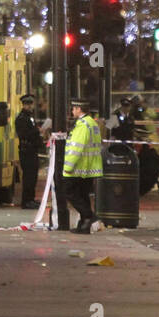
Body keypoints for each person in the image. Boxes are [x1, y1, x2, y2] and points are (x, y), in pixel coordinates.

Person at [63, 98, 103, 234]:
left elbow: (76, 148)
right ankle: (84, 225)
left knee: (69, 191)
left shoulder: (82, 125)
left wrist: (68, 166)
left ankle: (89, 216)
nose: (72, 111)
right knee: (83, 194)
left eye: (73, 109)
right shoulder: (92, 123)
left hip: (79, 167)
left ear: (79, 109)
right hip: (90, 166)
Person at [15, 94, 42, 210]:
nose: (30, 106)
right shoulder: (21, 118)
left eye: (31, 104)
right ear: (24, 105)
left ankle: (31, 199)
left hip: (32, 150)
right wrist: (36, 132)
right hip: (27, 150)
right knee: (28, 177)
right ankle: (26, 201)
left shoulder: (29, 117)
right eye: (28, 104)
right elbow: (24, 134)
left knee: (33, 176)